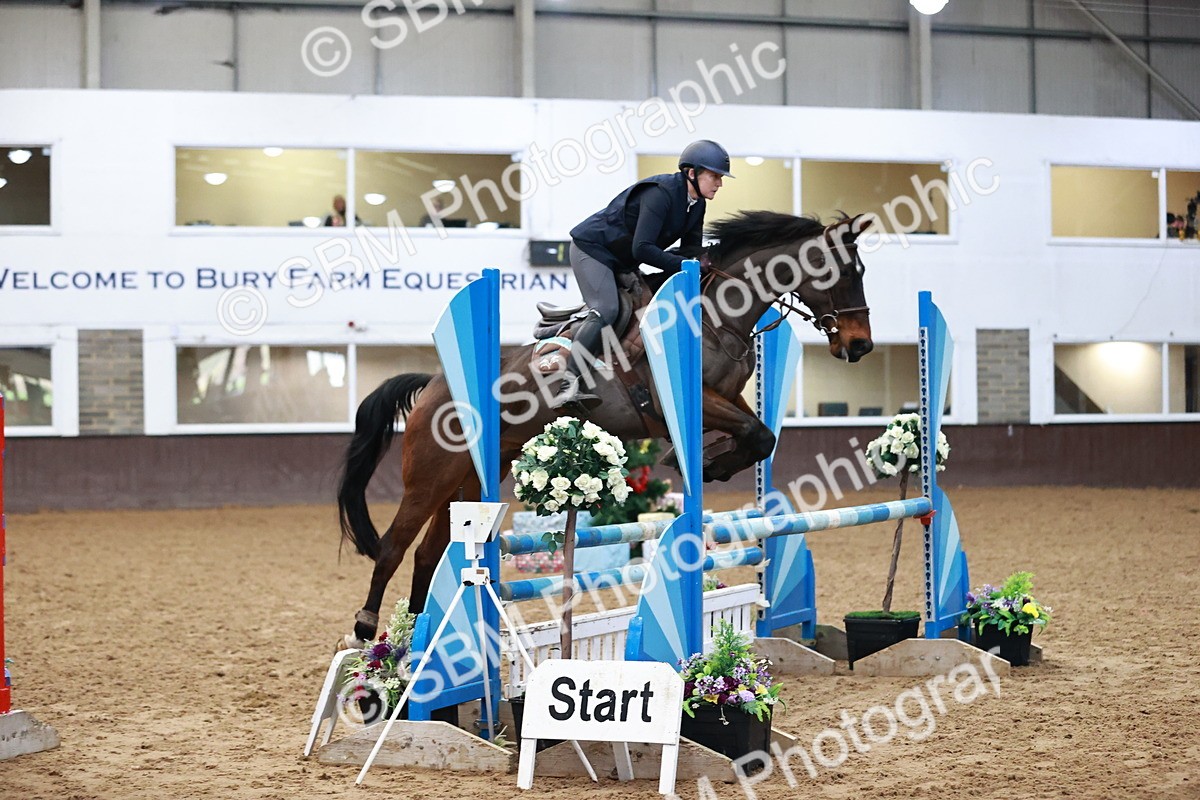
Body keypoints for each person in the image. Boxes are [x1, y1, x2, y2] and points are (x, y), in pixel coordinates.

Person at [551, 139, 733, 410]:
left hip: (624, 260)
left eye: (720, 178)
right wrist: (686, 265)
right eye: (714, 176)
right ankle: (568, 383)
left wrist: (715, 256)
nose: (719, 184)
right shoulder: (660, 194)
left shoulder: (696, 205)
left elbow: (689, 249)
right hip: (593, 250)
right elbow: (643, 249)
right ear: (691, 173)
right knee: (607, 309)